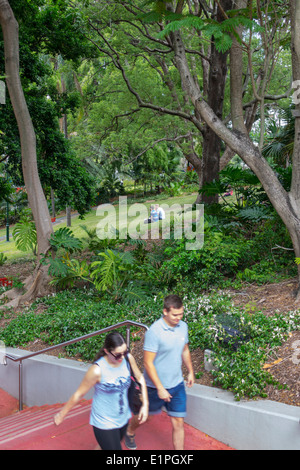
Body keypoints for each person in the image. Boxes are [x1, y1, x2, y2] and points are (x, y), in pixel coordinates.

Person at [54, 331, 148, 450]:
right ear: (107, 351)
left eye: (125, 352)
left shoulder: (128, 359)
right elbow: (79, 393)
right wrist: (61, 414)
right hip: (104, 422)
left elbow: (140, 377)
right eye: (118, 355)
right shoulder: (97, 370)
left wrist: (145, 404)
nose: (122, 357)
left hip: (123, 418)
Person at [125, 294, 194, 451]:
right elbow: (148, 363)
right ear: (165, 311)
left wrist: (190, 371)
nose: (179, 318)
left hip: (176, 384)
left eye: (181, 314)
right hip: (154, 387)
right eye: (175, 314)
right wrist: (160, 388)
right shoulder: (155, 332)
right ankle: (129, 431)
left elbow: (185, 349)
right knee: (145, 417)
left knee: (178, 422)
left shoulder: (183, 326)